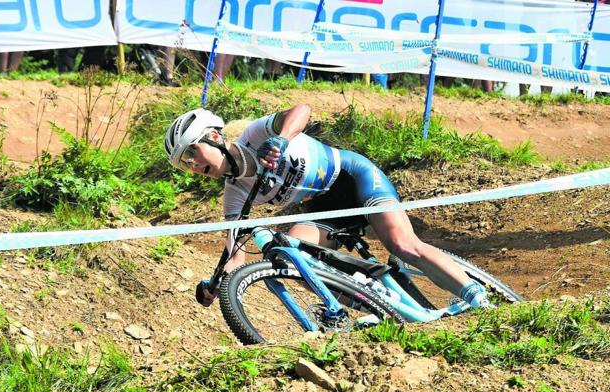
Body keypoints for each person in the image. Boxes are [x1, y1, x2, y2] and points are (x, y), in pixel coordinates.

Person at [164, 106, 495, 309]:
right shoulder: (234, 194)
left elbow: (302, 109)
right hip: (325, 207)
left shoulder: (254, 135)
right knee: (295, 257)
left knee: (403, 245)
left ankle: (478, 299)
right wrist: (220, 285)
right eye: (184, 164)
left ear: (213, 137)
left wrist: (282, 137)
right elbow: (235, 249)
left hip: (354, 177)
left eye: (192, 154)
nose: (192, 166)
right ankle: (378, 304)